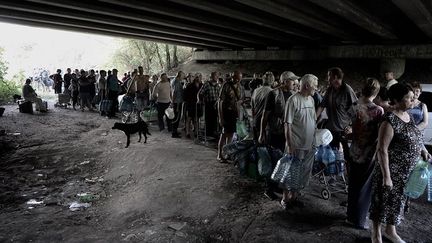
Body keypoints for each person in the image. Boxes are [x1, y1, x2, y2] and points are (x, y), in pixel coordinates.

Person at [369, 83, 431, 243]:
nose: (412, 101)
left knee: (396, 203)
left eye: (412, 97)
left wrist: (423, 149)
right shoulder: (389, 121)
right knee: (382, 201)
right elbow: (382, 149)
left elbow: (415, 136)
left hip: (405, 173)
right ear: (396, 100)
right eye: (408, 98)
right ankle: (376, 235)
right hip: (390, 171)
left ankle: (391, 230)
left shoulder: (408, 116)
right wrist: (386, 177)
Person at [346, 78, 384, 230]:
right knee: (365, 188)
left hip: (354, 149)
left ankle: (350, 216)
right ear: (376, 92)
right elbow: (378, 134)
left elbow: (349, 129)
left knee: (353, 185)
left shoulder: (354, 107)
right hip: (369, 153)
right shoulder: (378, 111)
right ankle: (360, 220)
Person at [259, 71, 299, 200]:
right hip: (275, 132)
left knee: (284, 161)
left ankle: (278, 185)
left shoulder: (294, 95)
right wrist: (262, 133)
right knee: (274, 161)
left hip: (287, 134)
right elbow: (264, 115)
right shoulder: (273, 94)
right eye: (292, 80)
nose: (295, 83)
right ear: (285, 81)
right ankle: (269, 189)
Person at [282, 74, 318, 208]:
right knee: (290, 171)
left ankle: (294, 196)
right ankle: (286, 199)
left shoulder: (311, 100)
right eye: (315, 85)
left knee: (302, 173)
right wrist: (290, 145)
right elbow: (287, 125)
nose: (316, 88)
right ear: (307, 85)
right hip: (296, 145)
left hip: (309, 145)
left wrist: (314, 141)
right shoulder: (293, 100)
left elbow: (313, 121)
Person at [316, 67, 358, 168]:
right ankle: (334, 175)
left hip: (344, 129)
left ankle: (350, 175)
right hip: (332, 128)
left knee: (348, 155)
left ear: (335, 77)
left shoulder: (347, 90)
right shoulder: (330, 90)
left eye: (328, 76)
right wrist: (313, 119)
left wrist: (352, 127)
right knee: (332, 154)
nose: (327, 78)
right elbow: (322, 105)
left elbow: (356, 110)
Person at [217, 70, 242, 162]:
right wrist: (220, 117)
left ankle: (227, 154)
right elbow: (220, 102)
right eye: (236, 79)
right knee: (224, 134)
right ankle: (220, 155)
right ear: (232, 77)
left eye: (239, 79)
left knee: (231, 134)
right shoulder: (226, 85)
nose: (237, 81)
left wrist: (239, 115)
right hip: (226, 113)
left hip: (233, 114)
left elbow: (238, 102)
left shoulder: (239, 86)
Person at [251, 71, 274, 141]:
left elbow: (252, 108)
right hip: (266, 125)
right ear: (272, 81)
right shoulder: (272, 92)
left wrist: (253, 121)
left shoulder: (256, 91)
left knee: (256, 145)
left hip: (256, 122)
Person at [198, 72, 220, 138]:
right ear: (211, 77)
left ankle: (214, 132)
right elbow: (200, 93)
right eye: (215, 76)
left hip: (216, 104)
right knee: (209, 119)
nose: (217, 77)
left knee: (215, 119)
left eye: (217, 76)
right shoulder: (207, 84)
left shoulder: (217, 85)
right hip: (209, 104)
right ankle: (208, 134)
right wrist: (200, 100)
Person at [170, 71, 185, 138]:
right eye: (183, 75)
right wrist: (172, 102)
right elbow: (174, 92)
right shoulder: (177, 82)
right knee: (176, 118)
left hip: (177, 101)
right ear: (180, 75)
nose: (184, 76)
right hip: (177, 102)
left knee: (176, 117)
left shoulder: (175, 80)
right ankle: (174, 133)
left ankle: (175, 131)